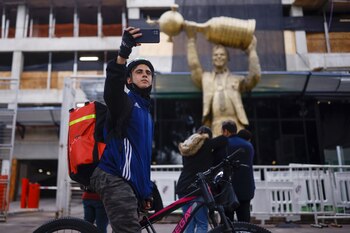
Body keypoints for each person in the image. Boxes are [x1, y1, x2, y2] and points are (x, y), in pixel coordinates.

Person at [90, 27, 155, 233]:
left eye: (148, 73)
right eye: (139, 72)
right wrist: (124, 52)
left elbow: (141, 157)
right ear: (129, 79)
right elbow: (112, 88)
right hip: (113, 175)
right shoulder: (124, 102)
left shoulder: (146, 113)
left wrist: (146, 192)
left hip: (129, 182)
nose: (145, 75)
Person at [185, 25, 261, 136]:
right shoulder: (205, 78)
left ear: (227, 58)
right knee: (216, 152)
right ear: (212, 58)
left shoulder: (237, 79)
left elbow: (254, 77)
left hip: (236, 125)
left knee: (238, 151)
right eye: (216, 55)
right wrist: (191, 41)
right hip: (215, 126)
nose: (219, 57)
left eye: (222, 54)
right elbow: (194, 66)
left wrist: (252, 52)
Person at [176, 126, 227, 233]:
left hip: (182, 188)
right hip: (198, 188)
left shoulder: (187, 147)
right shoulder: (206, 143)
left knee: (188, 223)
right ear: (206, 136)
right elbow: (223, 140)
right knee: (202, 223)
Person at [217, 121, 255, 222]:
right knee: (245, 221)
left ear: (225, 131)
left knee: (227, 222)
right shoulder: (248, 145)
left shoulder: (224, 144)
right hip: (246, 188)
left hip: (228, 189)